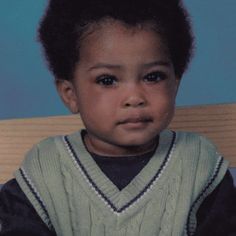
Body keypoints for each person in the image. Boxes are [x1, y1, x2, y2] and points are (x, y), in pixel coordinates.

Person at [0, 0, 236, 235]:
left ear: (175, 83)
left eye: (153, 77)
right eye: (107, 80)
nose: (134, 97)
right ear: (70, 94)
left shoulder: (200, 165)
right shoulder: (45, 169)